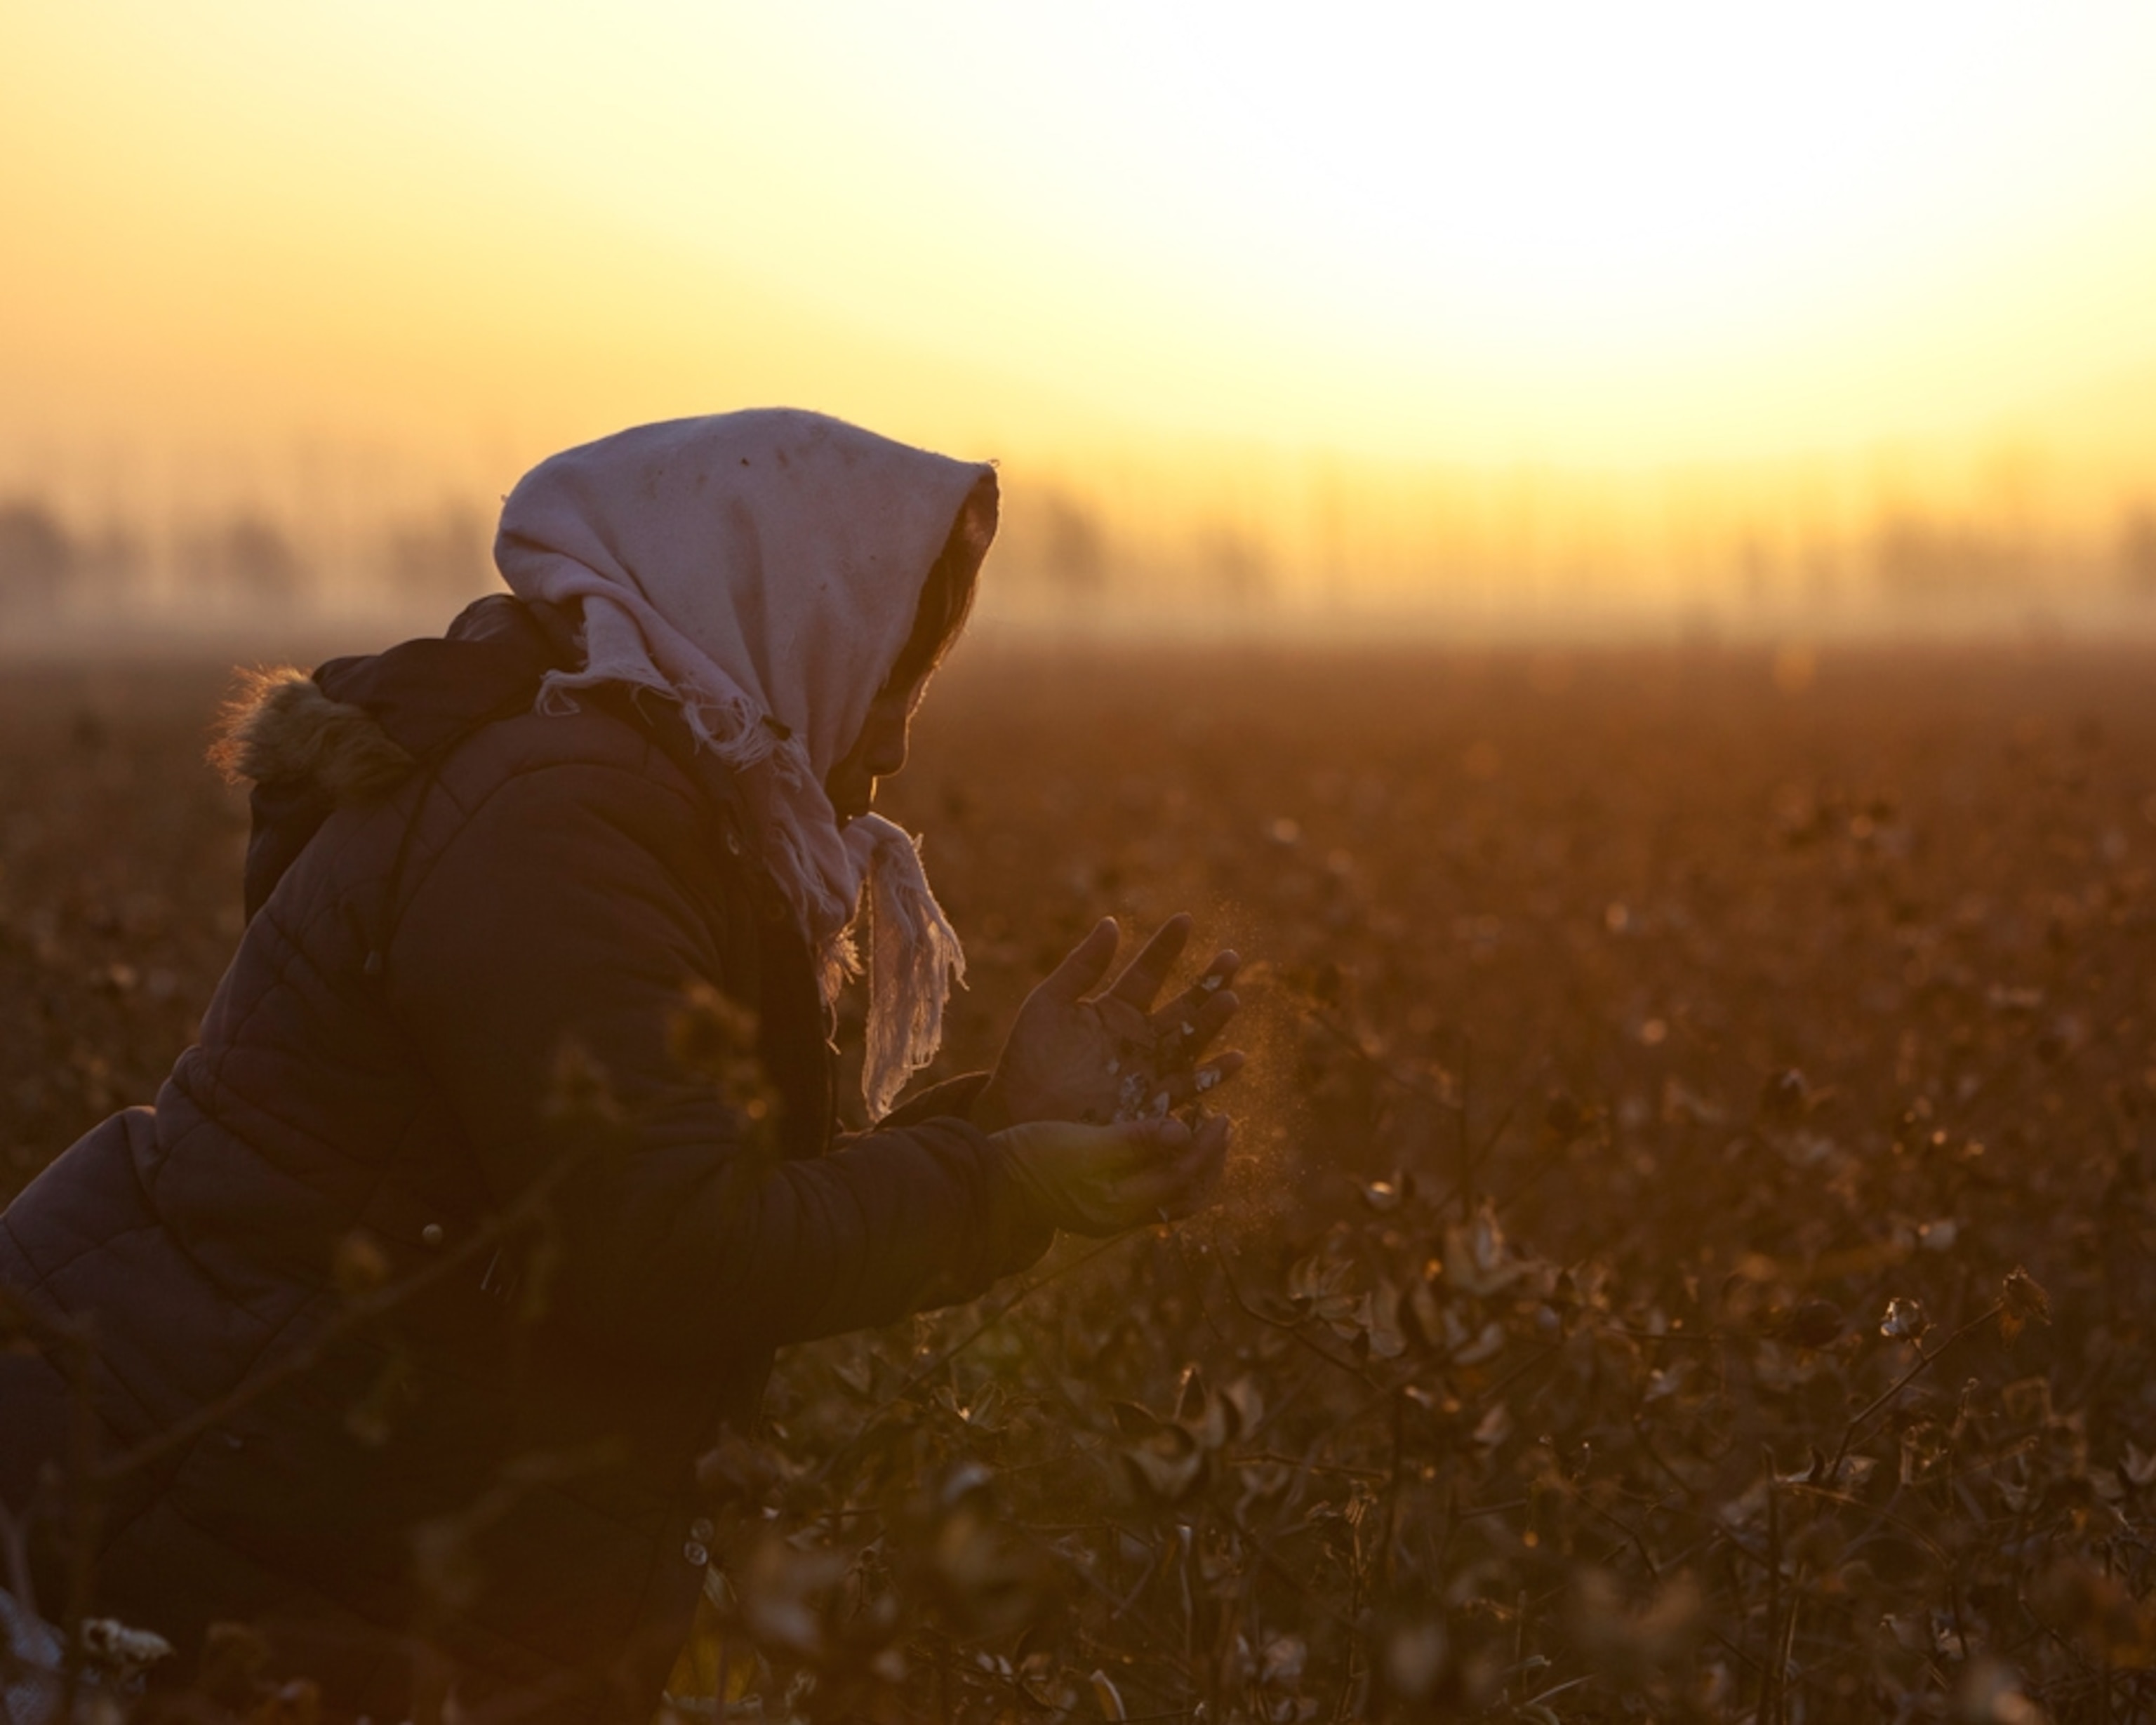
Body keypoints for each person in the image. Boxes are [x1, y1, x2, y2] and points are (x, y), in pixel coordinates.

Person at [0, 411, 1242, 1722]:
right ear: (784, 617)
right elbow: (673, 1246)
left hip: (272, 1510)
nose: (899, 743)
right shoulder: (560, 816)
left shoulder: (650, 799)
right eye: (890, 674)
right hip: (174, 1515)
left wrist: (1007, 1122)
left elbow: (690, 1189)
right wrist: (1004, 1185)